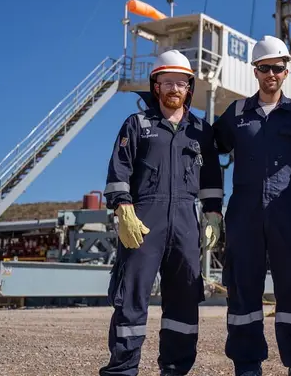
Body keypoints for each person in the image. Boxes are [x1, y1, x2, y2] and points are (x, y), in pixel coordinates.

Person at [100, 49, 225, 376]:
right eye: (167, 82)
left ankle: (175, 369)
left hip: (186, 222)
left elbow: (211, 179)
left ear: (189, 87)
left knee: (184, 299)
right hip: (143, 221)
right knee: (131, 299)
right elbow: (119, 171)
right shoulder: (137, 125)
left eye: (180, 83)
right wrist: (123, 208)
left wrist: (213, 213)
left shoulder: (201, 130)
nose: (174, 88)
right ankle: (122, 370)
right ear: (156, 86)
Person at [212, 35, 291, 376]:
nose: (270, 74)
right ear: (254, 71)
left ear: (286, 71)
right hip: (244, 213)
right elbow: (207, 145)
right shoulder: (237, 113)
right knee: (243, 287)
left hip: (286, 210)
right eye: (264, 68)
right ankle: (247, 363)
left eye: (276, 68)